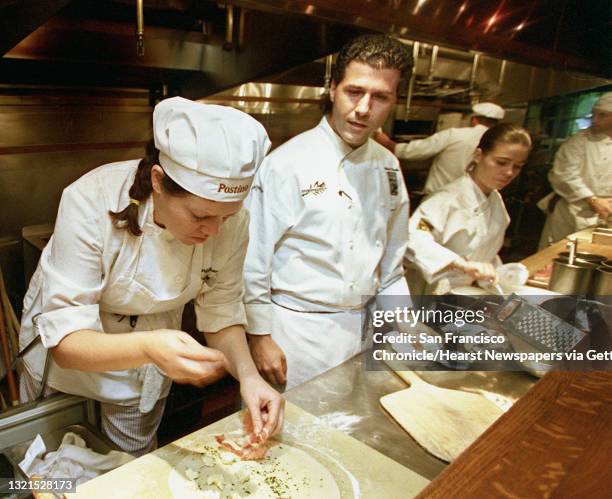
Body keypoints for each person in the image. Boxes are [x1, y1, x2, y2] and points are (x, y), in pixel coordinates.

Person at [18, 97, 284, 455]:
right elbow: (66, 343)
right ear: (158, 181)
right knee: (49, 478)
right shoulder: (90, 200)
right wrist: (150, 346)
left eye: (227, 216)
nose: (216, 231)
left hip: (142, 373)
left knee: (130, 472)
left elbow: (221, 311)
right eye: (201, 216)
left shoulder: (229, 224)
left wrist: (249, 378)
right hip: (68, 370)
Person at [243, 35, 413, 389]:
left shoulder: (388, 167)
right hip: (295, 335)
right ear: (333, 88)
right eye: (355, 91)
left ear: (395, 100)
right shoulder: (286, 164)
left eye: (380, 96)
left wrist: (404, 327)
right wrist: (259, 336)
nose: (364, 109)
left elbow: (392, 267)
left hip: (363, 332)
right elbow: (251, 261)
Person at [406, 123, 532, 294]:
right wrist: (461, 265)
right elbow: (414, 238)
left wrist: (498, 272)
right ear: (478, 155)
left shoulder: (495, 200)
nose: (509, 172)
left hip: (465, 293)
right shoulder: (446, 199)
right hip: (428, 294)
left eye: (517, 166)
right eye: (501, 162)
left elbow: (482, 250)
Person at [375, 102, 505, 194]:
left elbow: (416, 151)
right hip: (471, 200)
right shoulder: (499, 144)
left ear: (474, 119)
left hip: (439, 197)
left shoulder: (455, 134)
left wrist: (389, 144)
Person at [539, 92, 612, 248]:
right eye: (594, 114)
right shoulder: (579, 140)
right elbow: (564, 174)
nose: (595, 120)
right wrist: (592, 199)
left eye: (602, 115)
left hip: (606, 214)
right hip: (571, 210)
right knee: (556, 254)